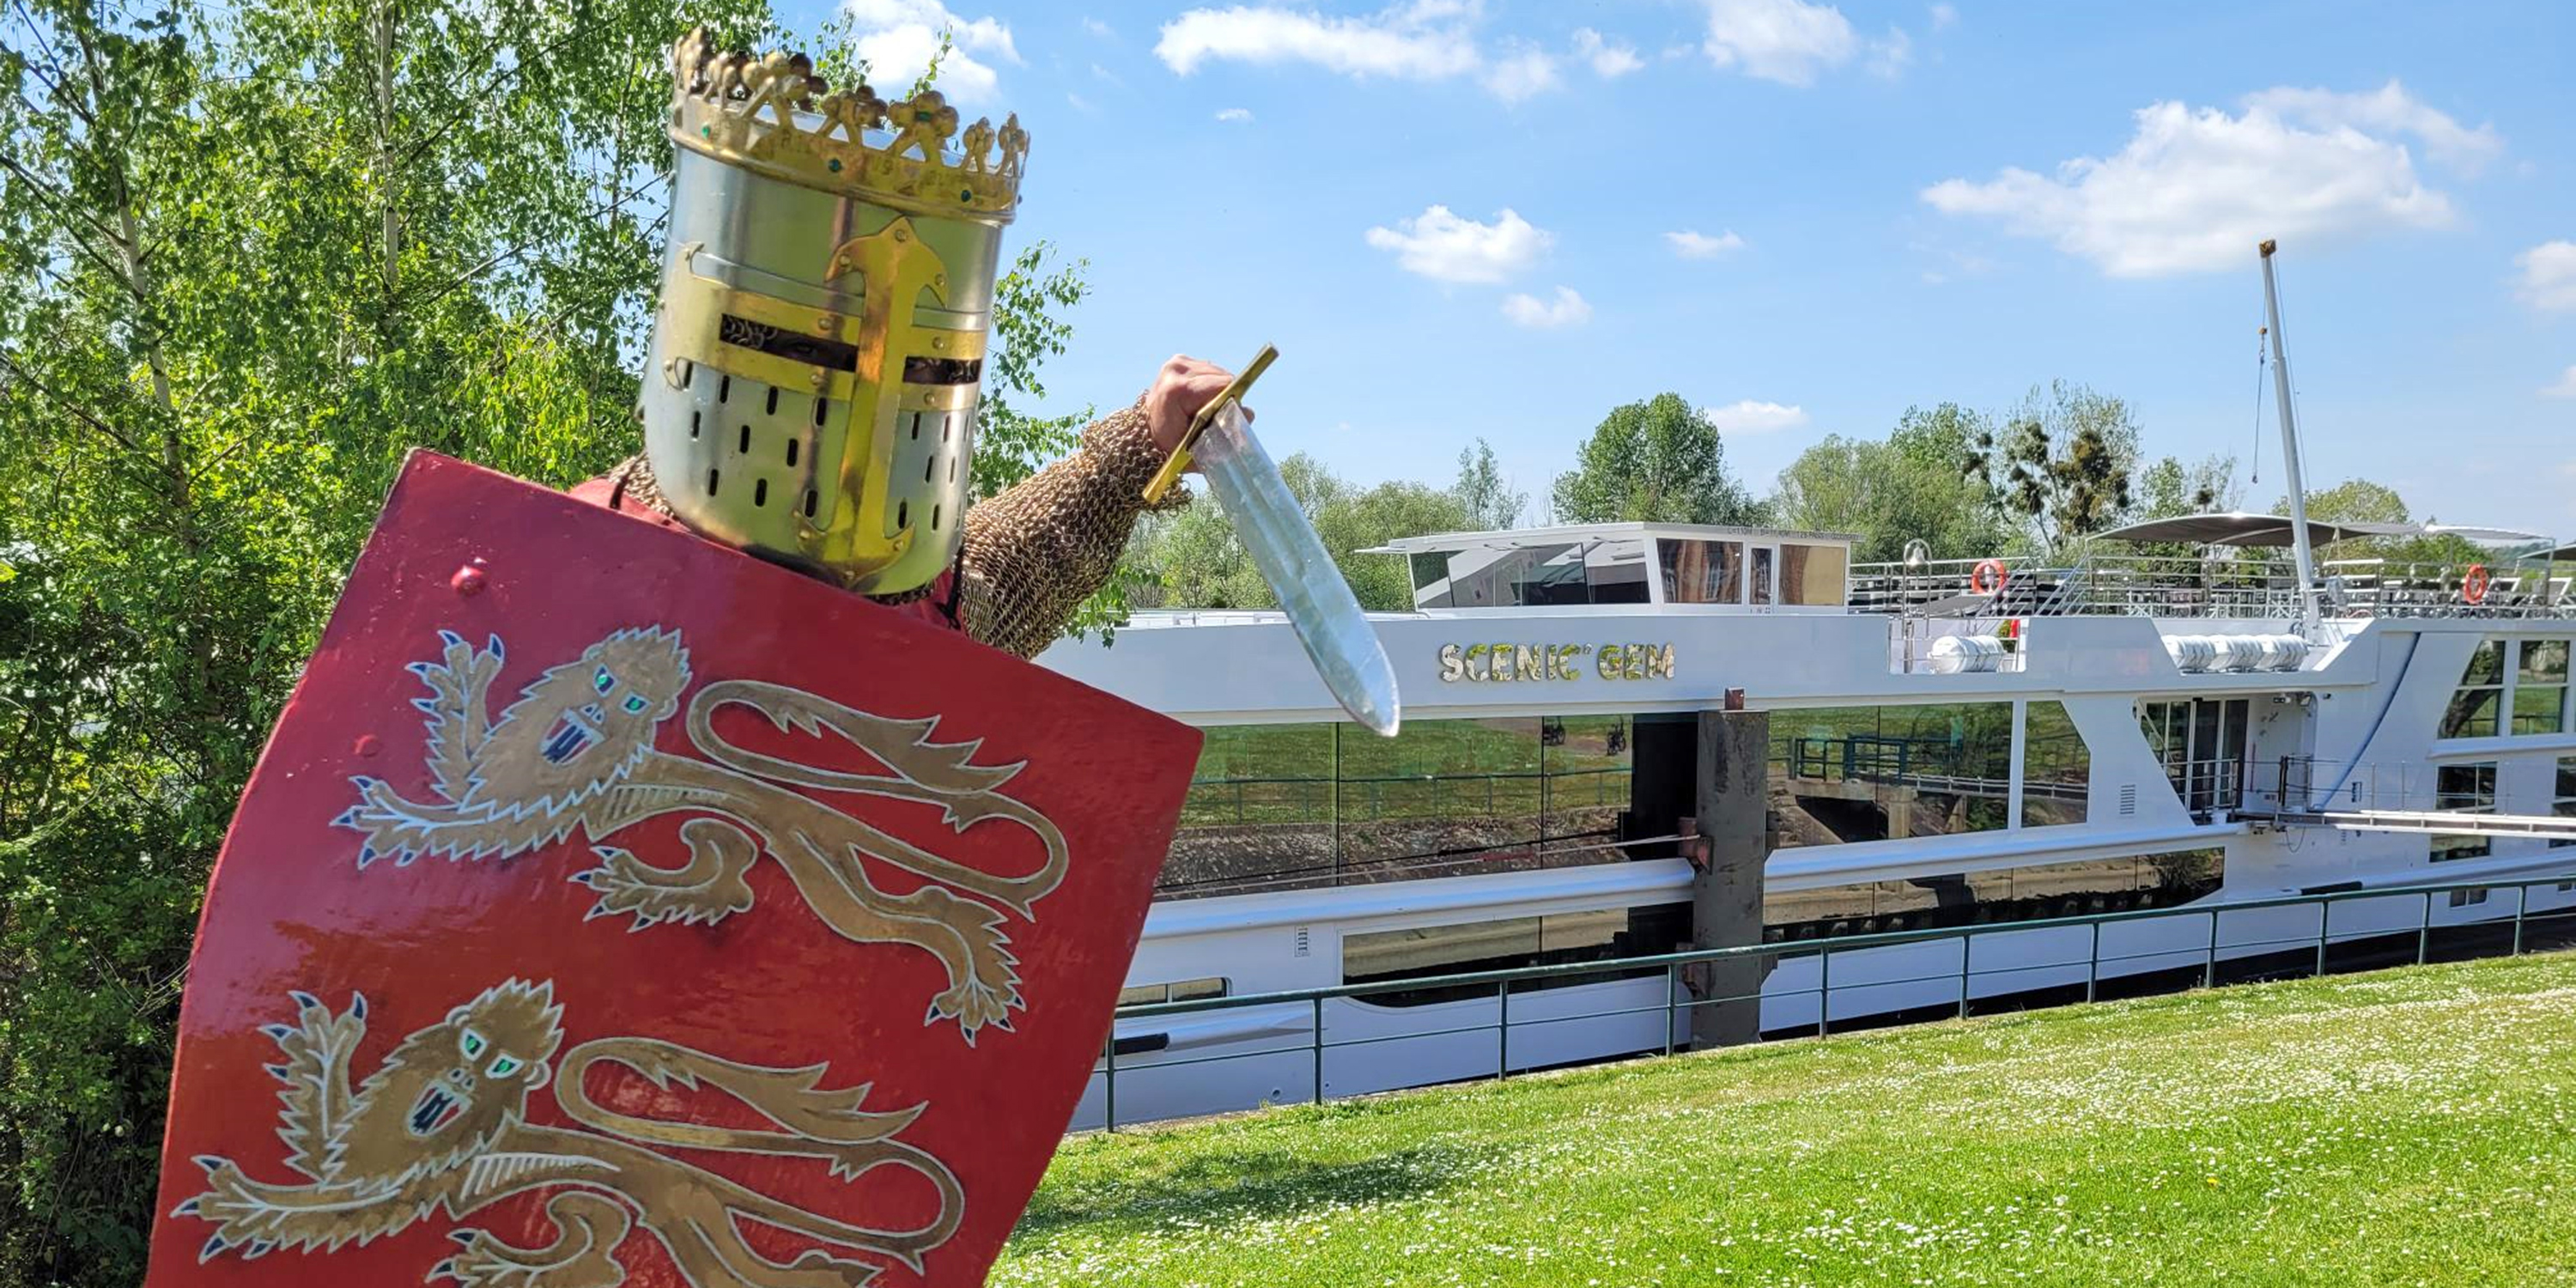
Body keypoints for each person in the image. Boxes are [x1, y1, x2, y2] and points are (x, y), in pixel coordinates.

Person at [572, 28, 1241, 659]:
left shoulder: (936, 605)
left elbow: (1029, 556)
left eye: (928, 366)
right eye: (807, 352)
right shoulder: (560, 562)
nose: (873, 394)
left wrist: (1141, 444)